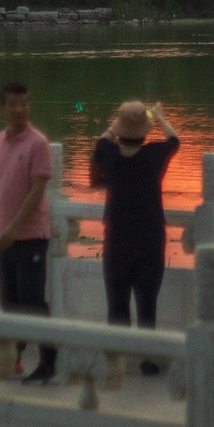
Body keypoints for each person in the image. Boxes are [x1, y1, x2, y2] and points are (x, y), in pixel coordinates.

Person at [90, 101, 181, 373]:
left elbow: (102, 141)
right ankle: (147, 358)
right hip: (149, 238)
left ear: (120, 130)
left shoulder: (109, 153)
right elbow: (174, 140)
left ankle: (116, 358)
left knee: (117, 302)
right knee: (147, 302)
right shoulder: (154, 155)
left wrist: (115, 126)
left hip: (117, 238)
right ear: (145, 131)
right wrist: (160, 118)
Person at [0, 81, 57, 384]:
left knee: (33, 303)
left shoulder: (38, 143)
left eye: (24, 103)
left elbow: (36, 191)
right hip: (4, 236)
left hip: (30, 236)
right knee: (9, 302)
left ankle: (48, 362)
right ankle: (13, 359)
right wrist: (4, 231)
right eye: (13, 104)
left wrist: (14, 229)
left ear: (29, 106)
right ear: (2, 108)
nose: (19, 109)